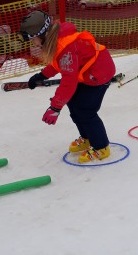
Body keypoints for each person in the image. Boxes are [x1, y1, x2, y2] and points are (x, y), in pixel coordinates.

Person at [21, 10, 117, 162]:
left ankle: (101, 147)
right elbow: (57, 63)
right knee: (74, 105)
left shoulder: (65, 47)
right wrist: (41, 76)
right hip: (85, 72)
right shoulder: (56, 40)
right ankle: (87, 137)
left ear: (43, 34)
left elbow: (69, 81)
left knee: (86, 111)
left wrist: (55, 107)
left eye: (34, 39)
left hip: (99, 73)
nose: (33, 43)